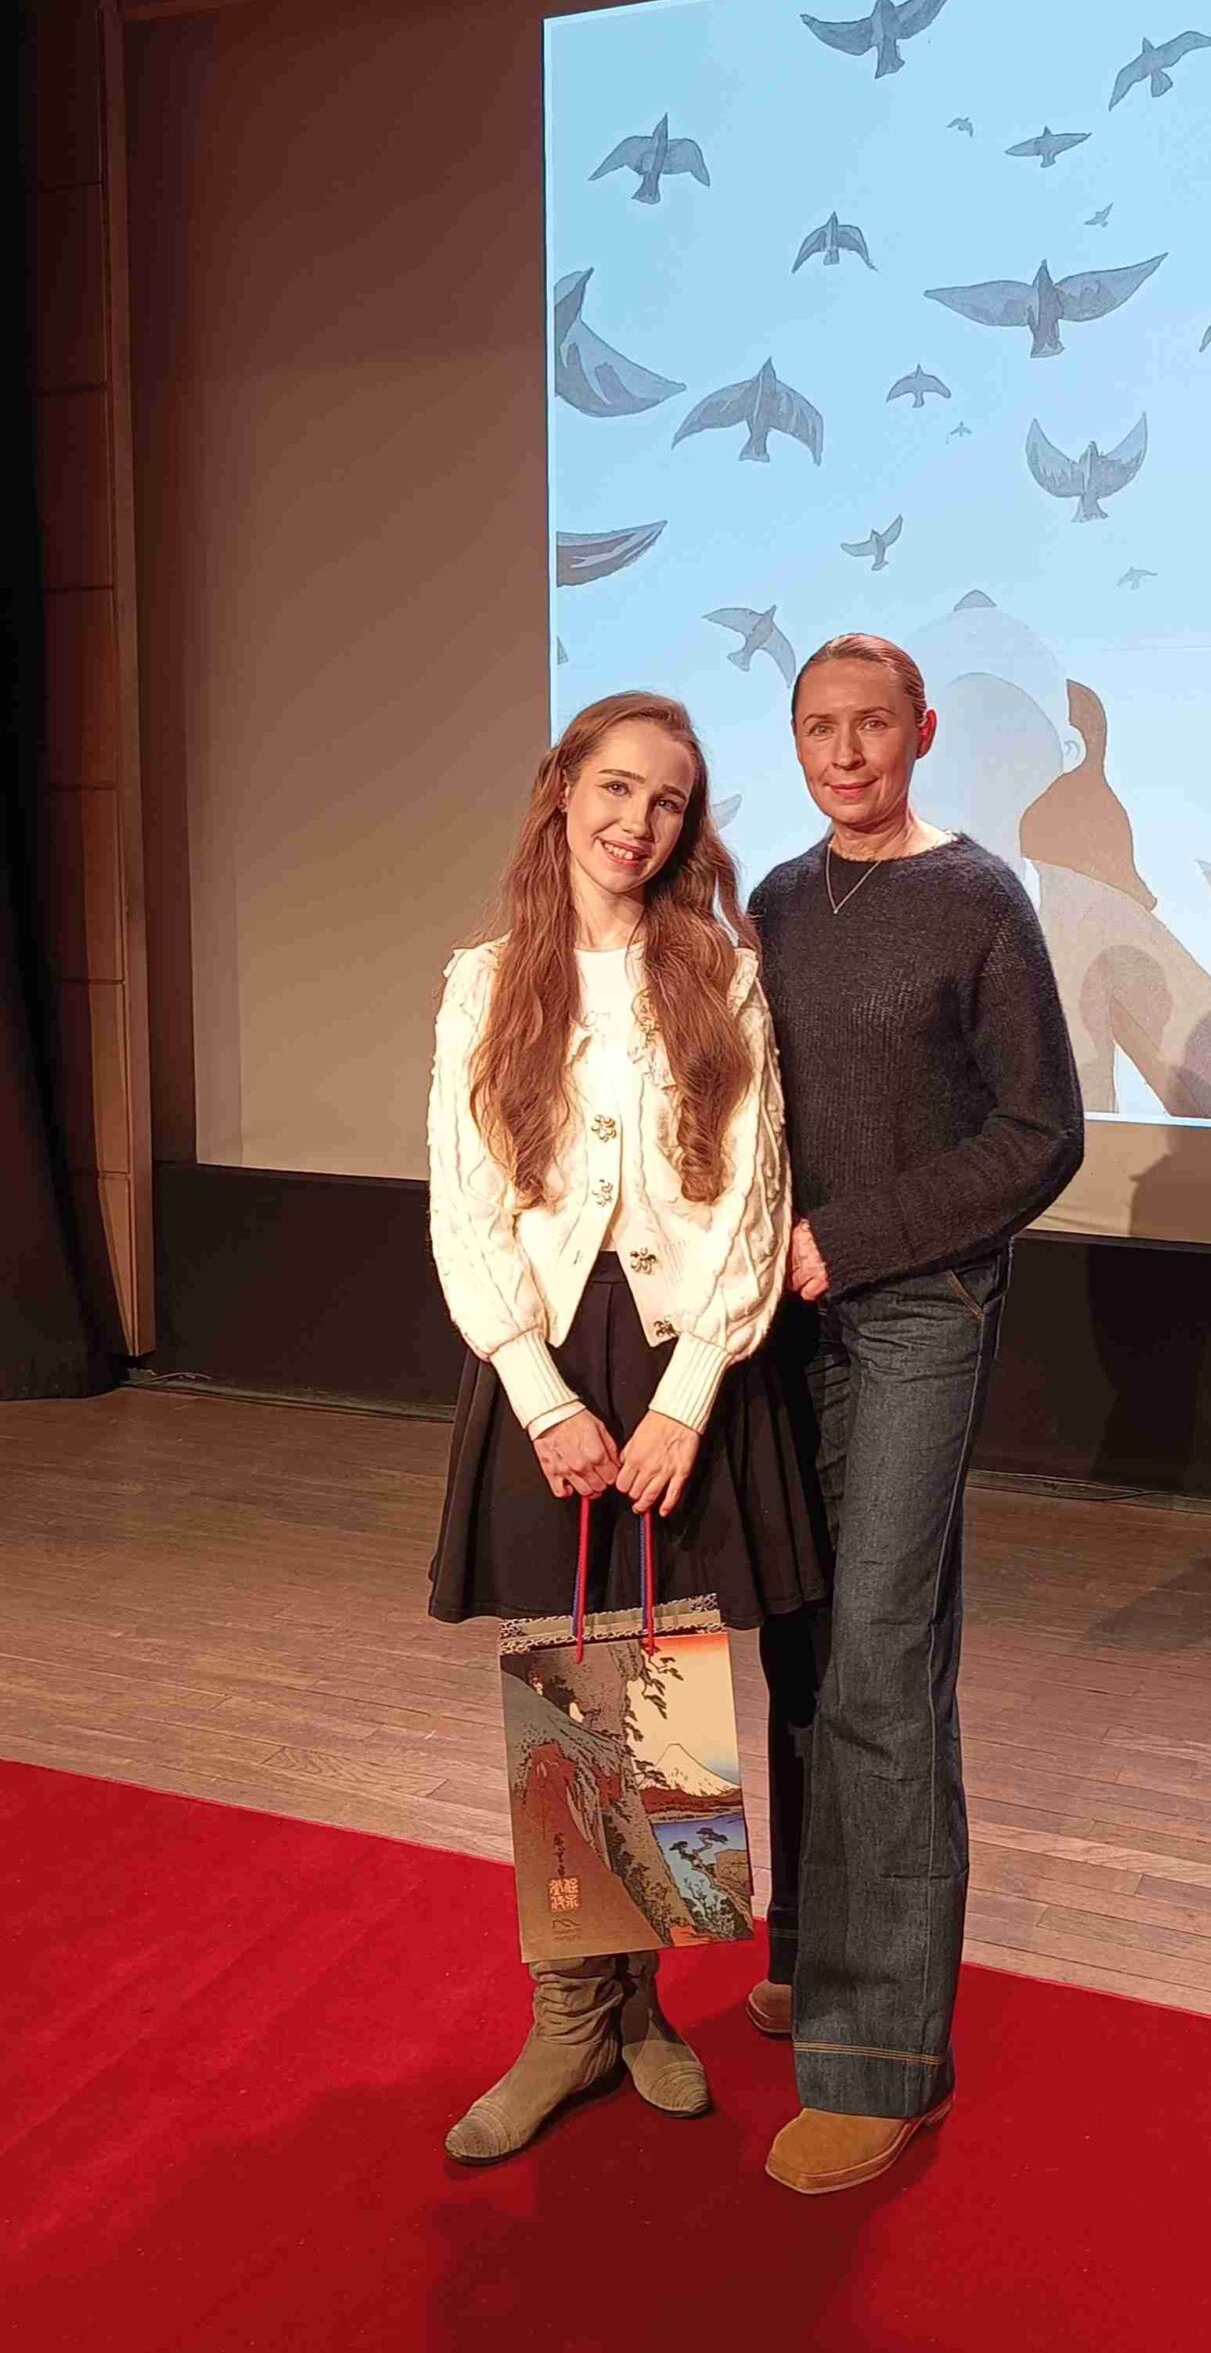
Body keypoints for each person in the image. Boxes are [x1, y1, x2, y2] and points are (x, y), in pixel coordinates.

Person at [425, 690, 828, 2165]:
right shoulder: (483, 983)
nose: (636, 821)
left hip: (679, 1365)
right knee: (565, 1693)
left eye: (667, 801)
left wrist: (685, 1397)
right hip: (545, 1360)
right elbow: (464, 1202)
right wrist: (540, 1397)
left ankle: (645, 2008)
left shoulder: (723, 977)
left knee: (663, 1689)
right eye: (614, 787)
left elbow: (756, 1196)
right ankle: (566, 2024)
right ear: (562, 791)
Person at [747, 632, 1085, 2195]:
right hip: (782, 1322)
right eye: (821, 726)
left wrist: (857, 1240)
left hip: (918, 1313)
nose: (846, 751)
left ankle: (883, 2058)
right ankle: (815, 1953)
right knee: (804, 1642)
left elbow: (1042, 1133)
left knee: (884, 1655)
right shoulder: (772, 904)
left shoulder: (981, 899)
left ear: (922, 732)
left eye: (872, 724)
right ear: (796, 741)